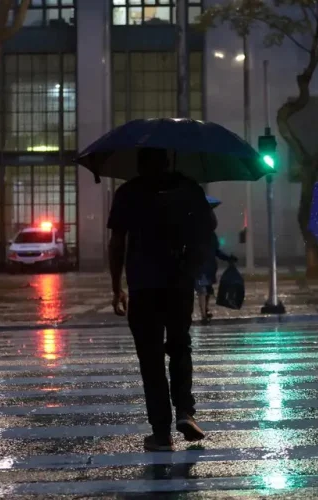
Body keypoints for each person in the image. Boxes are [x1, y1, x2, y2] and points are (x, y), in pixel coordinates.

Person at [108, 147, 214, 452]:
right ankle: (185, 411)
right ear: (168, 161)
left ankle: (161, 433)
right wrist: (191, 268)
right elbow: (208, 231)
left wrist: (116, 287)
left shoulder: (128, 192)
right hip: (179, 283)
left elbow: (117, 243)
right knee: (180, 347)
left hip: (143, 286)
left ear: (139, 165)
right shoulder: (188, 188)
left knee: (150, 359)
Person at [197, 211, 237, 325]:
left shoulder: (211, 236)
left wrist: (228, 258)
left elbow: (216, 251)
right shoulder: (197, 235)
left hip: (208, 267)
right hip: (200, 267)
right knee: (202, 291)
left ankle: (205, 310)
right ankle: (203, 314)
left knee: (207, 290)